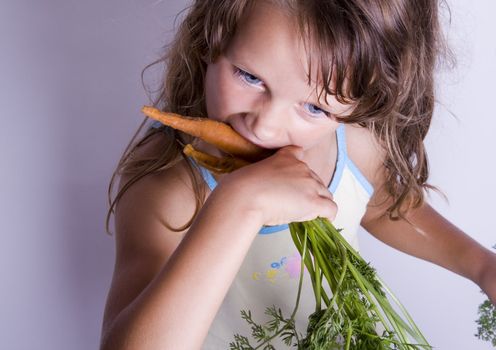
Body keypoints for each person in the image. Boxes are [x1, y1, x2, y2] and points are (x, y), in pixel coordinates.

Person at [100, 0, 496, 349]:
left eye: (314, 109)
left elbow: (382, 207)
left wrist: (481, 265)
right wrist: (239, 205)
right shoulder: (169, 181)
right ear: (213, 37)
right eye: (250, 77)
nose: (266, 126)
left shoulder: (351, 146)